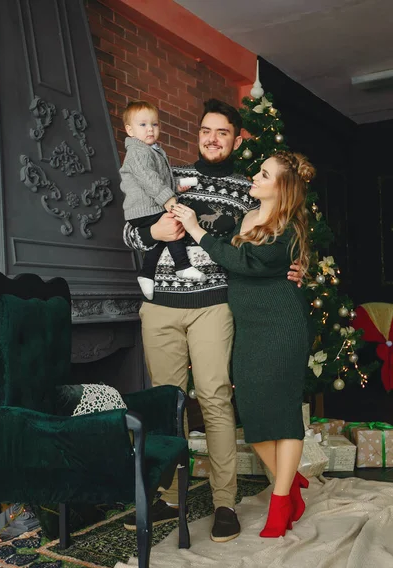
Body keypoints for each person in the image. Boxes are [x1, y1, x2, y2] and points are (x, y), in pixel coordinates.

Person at [122, 98, 302, 543]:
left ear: (236, 138)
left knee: (216, 401)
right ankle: (164, 496)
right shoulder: (170, 176)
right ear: (198, 133)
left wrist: (295, 267)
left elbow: (274, 236)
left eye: (222, 132)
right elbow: (128, 227)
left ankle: (225, 502)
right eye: (206, 130)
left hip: (213, 306)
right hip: (161, 304)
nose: (212, 138)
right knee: (166, 403)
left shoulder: (250, 187)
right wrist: (151, 233)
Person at [172, 150, 315, 538]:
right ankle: (293, 481)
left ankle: (282, 502)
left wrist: (196, 230)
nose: (255, 175)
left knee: (283, 415)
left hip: (282, 325)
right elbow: (231, 252)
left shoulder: (290, 228)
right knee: (252, 414)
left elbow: (246, 261)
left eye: (264, 174)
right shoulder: (245, 216)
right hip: (248, 329)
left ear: (281, 188)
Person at [120, 100, 206, 300]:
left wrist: (178, 185)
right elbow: (149, 180)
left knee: (162, 236)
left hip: (149, 206)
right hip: (143, 209)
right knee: (174, 222)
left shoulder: (152, 151)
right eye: (143, 125)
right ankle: (182, 266)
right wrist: (169, 199)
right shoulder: (137, 152)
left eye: (154, 124)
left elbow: (160, 178)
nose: (150, 129)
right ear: (129, 130)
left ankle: (146, 274)